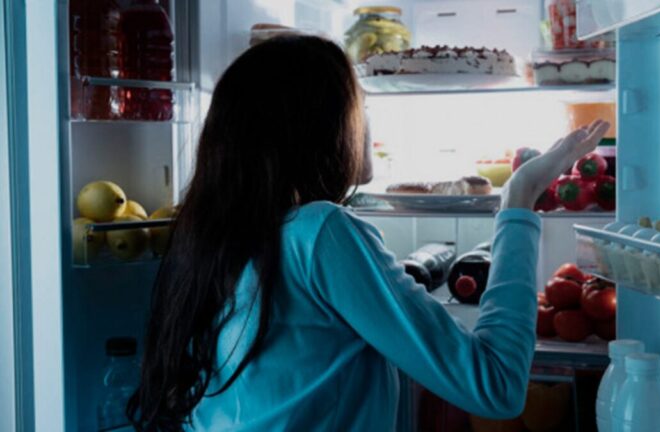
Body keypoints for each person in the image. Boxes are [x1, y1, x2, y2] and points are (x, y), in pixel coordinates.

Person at [127, 34, 610, 431]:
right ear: (317, 126)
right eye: (356, 105)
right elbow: (495, 385)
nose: (365, 121)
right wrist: (519, 199)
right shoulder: (321, 232)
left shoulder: (217, 237)